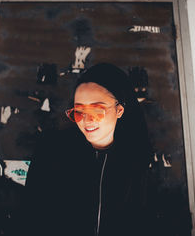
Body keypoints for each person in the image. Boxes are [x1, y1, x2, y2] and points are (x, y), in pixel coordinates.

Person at [24, 63, 153, 236]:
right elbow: (31, 218)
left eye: (97, 110)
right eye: (79, 111)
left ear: (119, 110)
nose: (87, 120)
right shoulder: (52, 153)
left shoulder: (138, 162)